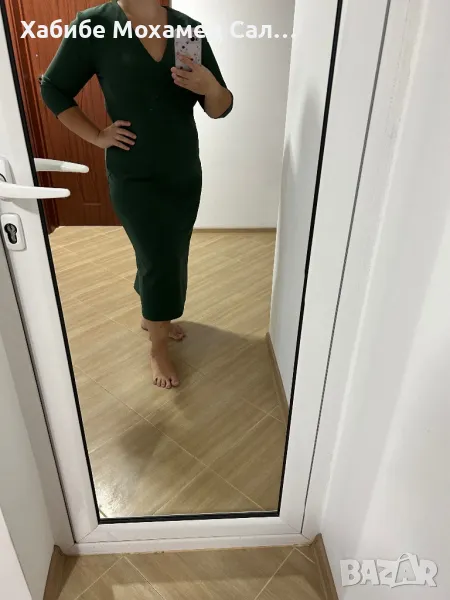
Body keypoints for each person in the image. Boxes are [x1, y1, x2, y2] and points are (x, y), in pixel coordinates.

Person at [41, 0, 233, 389]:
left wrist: (211, 87)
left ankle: (153, 315)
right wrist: (97, 136)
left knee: (169, 252)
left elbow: (219, 108)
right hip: (133, 173)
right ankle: (158, 347)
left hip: (182, 171)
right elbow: (53, 88)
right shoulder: (95, 25)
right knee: (158, 257)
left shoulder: (186, 29)